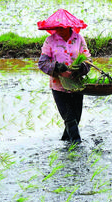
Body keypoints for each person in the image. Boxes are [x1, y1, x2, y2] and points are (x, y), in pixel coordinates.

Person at [37, 9, 92, 143]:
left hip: (76, 84)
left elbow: (87, 59)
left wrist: (82, 68)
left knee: (76, 118)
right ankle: (77, 145)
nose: (59, 30)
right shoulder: (50, 41)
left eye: (61, 27)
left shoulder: (78, 39)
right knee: (69, 118)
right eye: (56, 27)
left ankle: (66, 142)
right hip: (58, 86)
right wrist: (56, 67)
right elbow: (42, 63)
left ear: (68, 27)